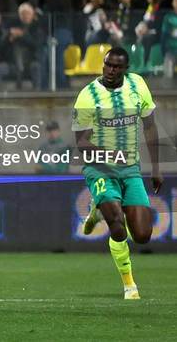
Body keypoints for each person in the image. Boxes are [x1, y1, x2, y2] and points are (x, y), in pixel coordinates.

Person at [74, 47, 162, 300]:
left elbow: (150, 126)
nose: (111, 70)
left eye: (116, 66)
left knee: (143, 236)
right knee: (117, 225)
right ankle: (130, 286)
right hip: (99, 168)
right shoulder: (88, 95)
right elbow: (80, 142)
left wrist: (156, 169)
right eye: (107, 65)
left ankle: (96, 208)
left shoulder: (138, 86)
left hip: (130, 168)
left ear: (125, 68)